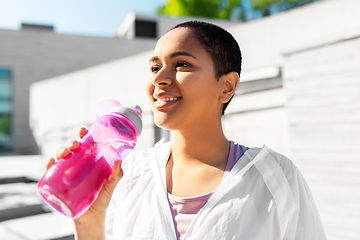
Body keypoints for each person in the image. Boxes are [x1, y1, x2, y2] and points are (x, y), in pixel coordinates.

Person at [48, 21, 327, 240]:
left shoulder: (275, 177)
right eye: (155, 67)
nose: (158, 78)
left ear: (227, 86)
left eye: (182, 64)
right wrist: (88, 222)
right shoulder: (129, 175)